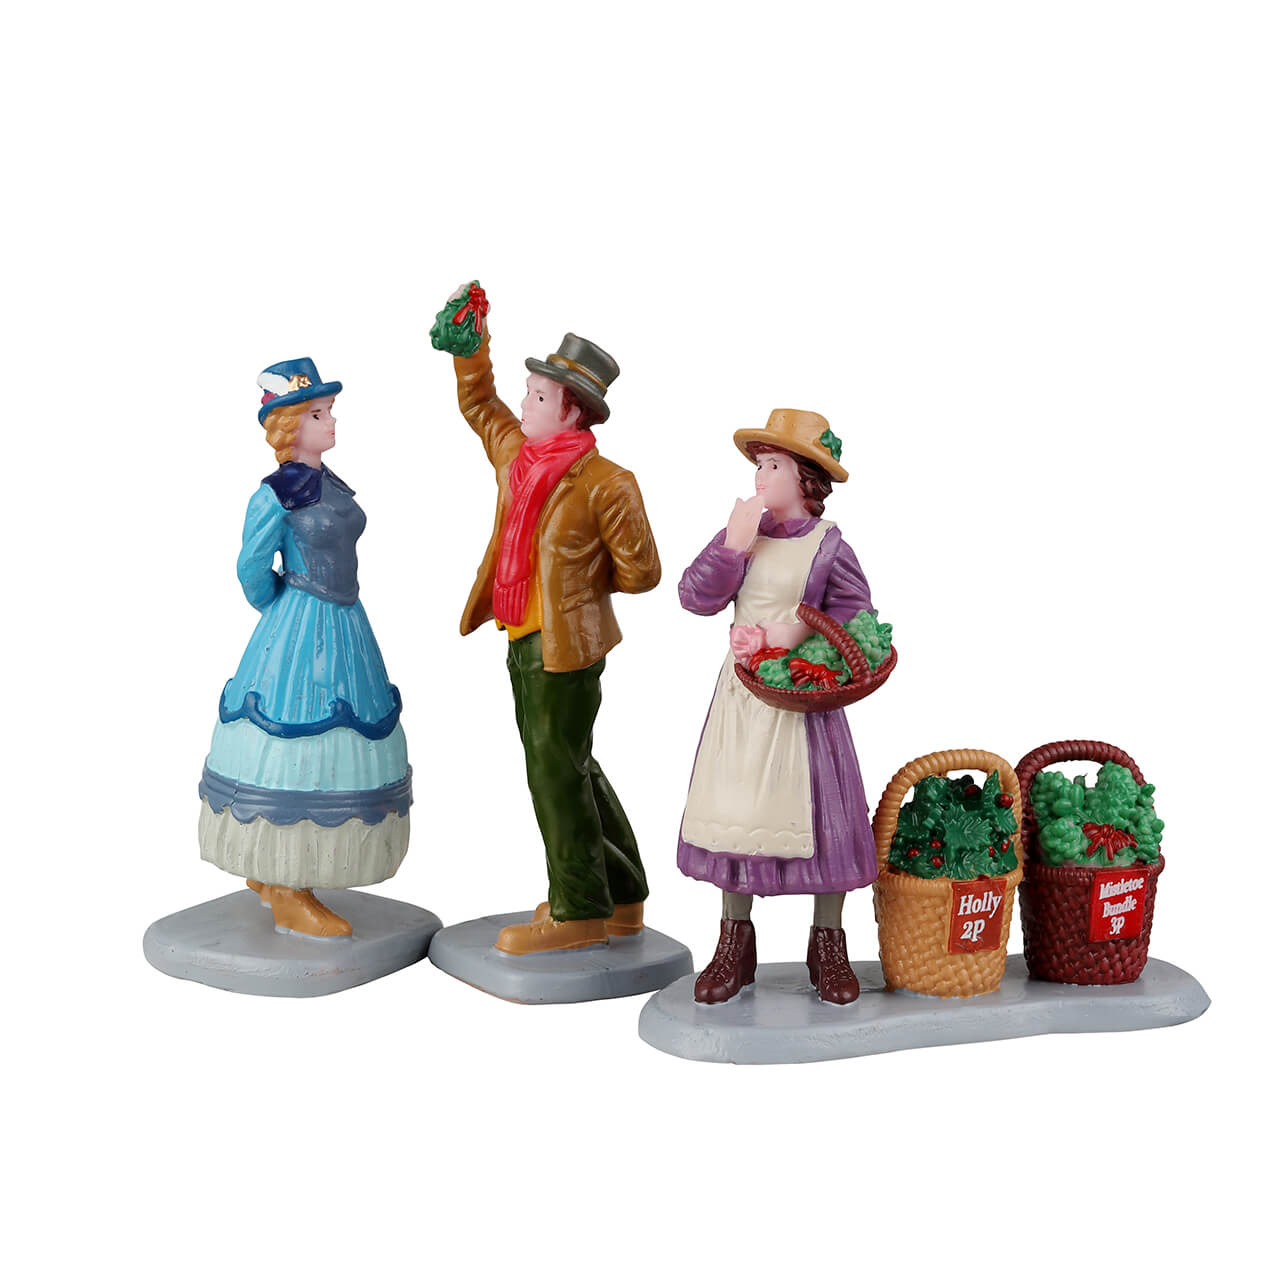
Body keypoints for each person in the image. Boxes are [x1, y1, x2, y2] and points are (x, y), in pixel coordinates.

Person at [445, 307, 661, 955]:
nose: (524, 404)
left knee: (553, 774)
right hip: (519, 635)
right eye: (529, 392)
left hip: (565, 648)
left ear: (572, 412)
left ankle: (578, 910)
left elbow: (642, 572)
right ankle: (620, 895)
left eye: (539, 397)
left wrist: (577, 591)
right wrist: (469, 349)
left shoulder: (608, 484)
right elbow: (480, 405)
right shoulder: (517, 454)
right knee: (571, 765)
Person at [197, 358, 412, 938]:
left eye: (329, 411)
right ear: (289, 426)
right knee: (292, 731)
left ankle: (287, 875)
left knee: (348, 732)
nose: (331, 421)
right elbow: (251, 567)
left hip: (347, 619)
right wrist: (284, 613)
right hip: (300, 622)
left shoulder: (332, 483)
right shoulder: (275, 496)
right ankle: (285, 886)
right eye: (319, 414)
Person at [677, 409, 877, 1004]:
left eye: (772, 465)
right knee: (736, 809)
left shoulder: (828, 545)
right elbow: (695, 597)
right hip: (744, 699)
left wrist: (793, 637)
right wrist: (732, 546)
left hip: (802, 700)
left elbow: (857, 619)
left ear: (804, 477)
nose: (760, 477)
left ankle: (828, 941)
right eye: (759, 465)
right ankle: (733, 941)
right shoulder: (746, 533)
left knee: (821, 818)